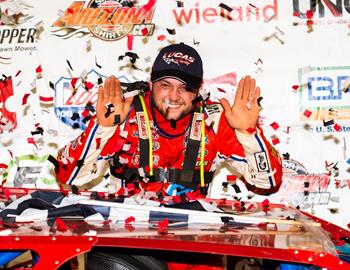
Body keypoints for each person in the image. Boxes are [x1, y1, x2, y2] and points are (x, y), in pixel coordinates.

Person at [55, 42, 282, 201]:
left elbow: (268, 183)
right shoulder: (123, 114)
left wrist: (248, 133)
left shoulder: (215, 120)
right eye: (165, 85)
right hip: (130, 239)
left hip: (191, 242)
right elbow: (69, 176)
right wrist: (102, 128)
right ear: (151, 84)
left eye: (185, 88)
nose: (174, 97)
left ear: (198, 91)